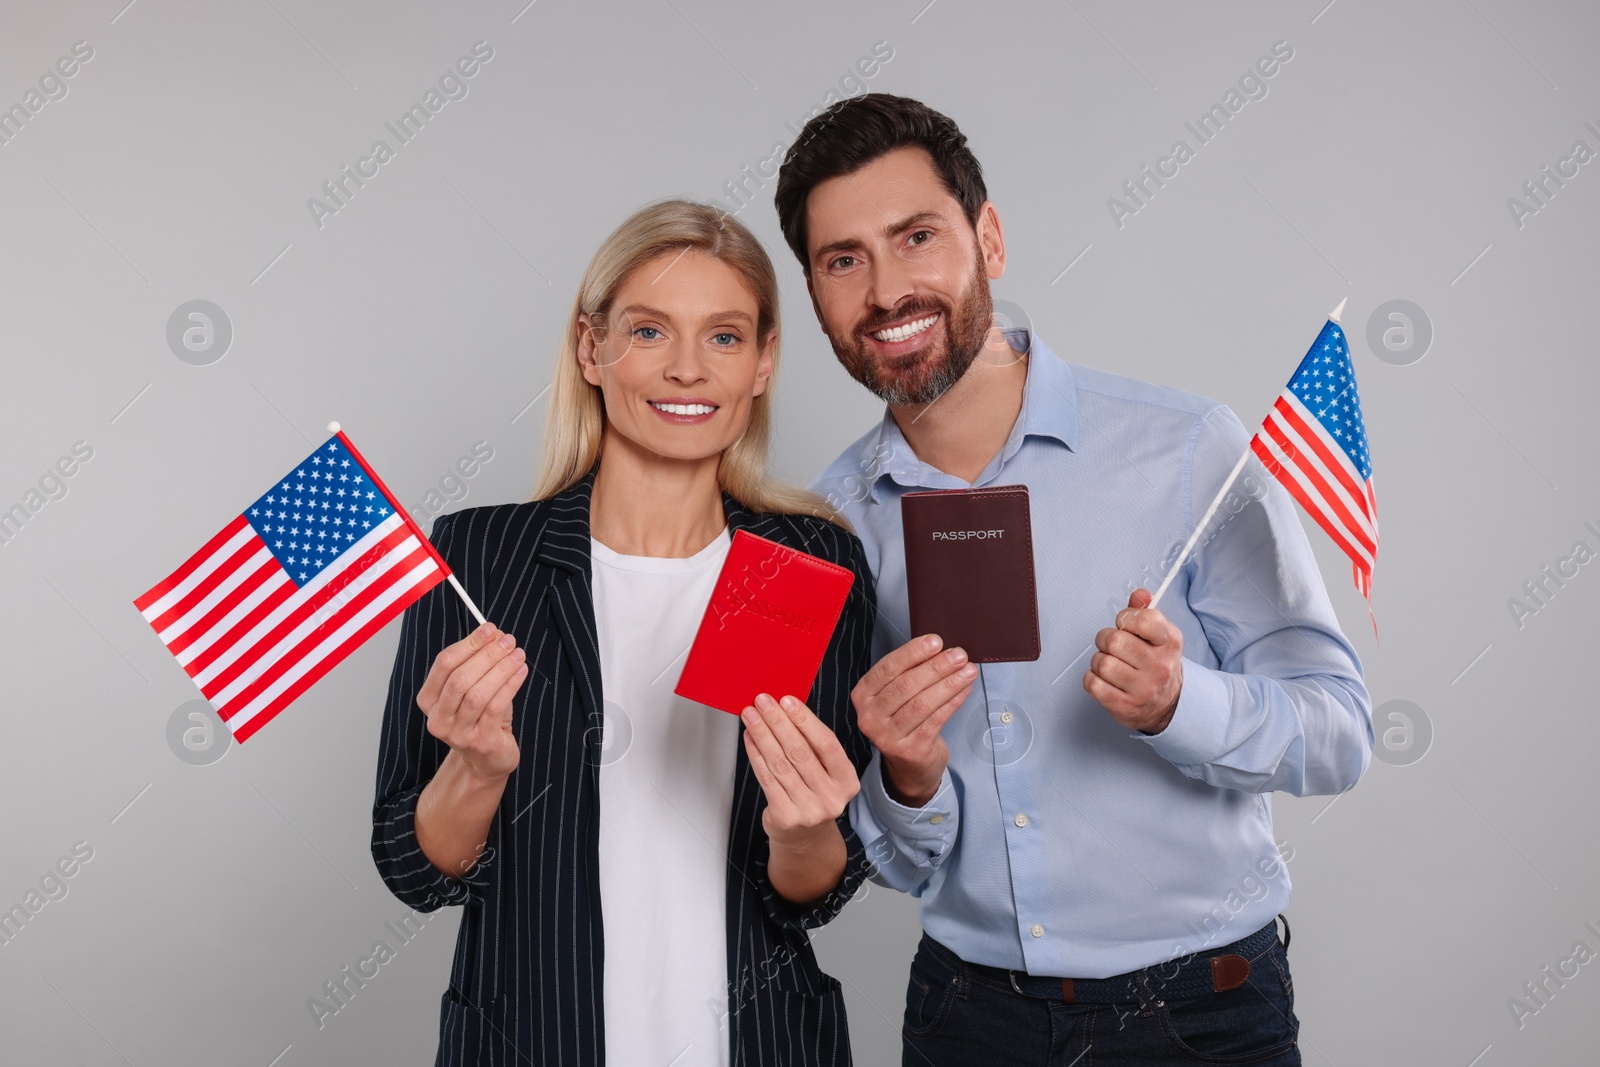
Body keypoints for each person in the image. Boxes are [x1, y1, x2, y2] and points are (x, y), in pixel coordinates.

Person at [774, 94, 1374, 1066]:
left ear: (989, 239)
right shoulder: (823, 529)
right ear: (814, 293)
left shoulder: (1188, 447)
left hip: (1204, 1014)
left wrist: (1182, 702)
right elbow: (875, 857)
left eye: (915, 236)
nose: (885, 291)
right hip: (966, 1017)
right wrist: (906, 776)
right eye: (843, 259)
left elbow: (1340, 736)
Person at [371, 200, 880, 1067]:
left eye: (723, 337)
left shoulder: (805, 561)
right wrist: (476, 769)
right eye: (650, 331)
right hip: (532, 1039)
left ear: (762, 362)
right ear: (590, 347)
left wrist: (804, 834)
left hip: (759, 1043)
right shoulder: (481, 555)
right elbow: (414, 868)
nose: (688, 369)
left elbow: (810, 895)